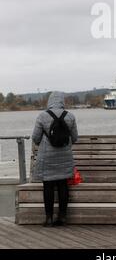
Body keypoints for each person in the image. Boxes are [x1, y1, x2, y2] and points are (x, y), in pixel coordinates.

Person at [32, 91, 78, 227]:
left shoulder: (42, 116)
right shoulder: (70, 116)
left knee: (48, 186)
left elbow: (35, 138)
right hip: (65, 156)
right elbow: (75, 138)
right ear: (62, 101)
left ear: (49, 101)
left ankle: (49, 218)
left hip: (47, 157)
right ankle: (62, 217)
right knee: (63, 185)